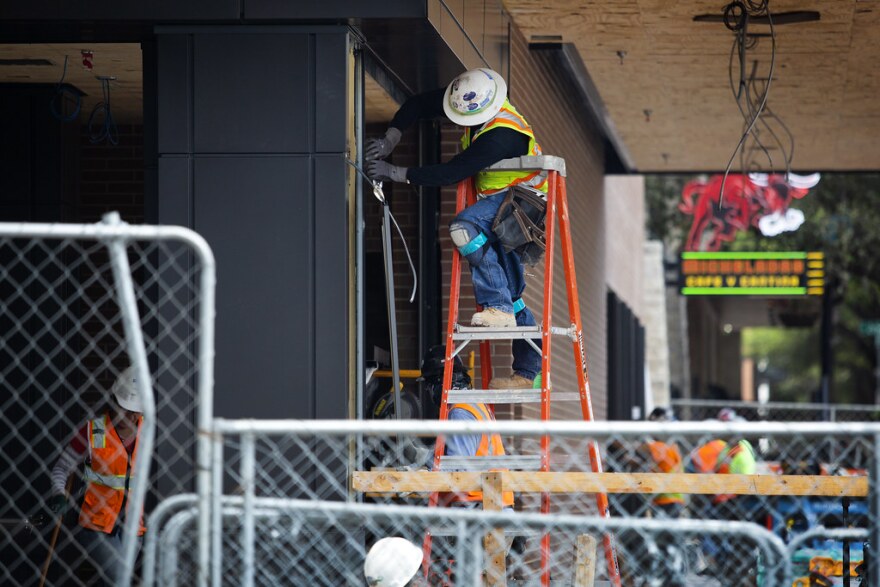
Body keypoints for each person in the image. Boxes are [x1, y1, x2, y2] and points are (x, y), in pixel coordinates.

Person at [366, 68, 546, 390]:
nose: (460, 125)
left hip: (525, 201)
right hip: (502, 200)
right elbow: (418, 104)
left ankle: (498, 307)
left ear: (485, 110)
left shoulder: (502, 135)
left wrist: (396, 172)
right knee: (513, 292)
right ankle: (525, 373)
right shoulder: (467, 99)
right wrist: (391, 137)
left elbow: (452, 172)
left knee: (463, 227)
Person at [47, 366, 146, 586]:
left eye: (136, 410)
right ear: (113, 401)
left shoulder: (147, 431)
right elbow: (61, 469)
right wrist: (58, 494)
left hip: (132, 526)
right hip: (96, 525)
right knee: (121, 578)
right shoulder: (92, 432)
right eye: (124, 408)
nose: (130, 416)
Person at [419, 346, 514, 511]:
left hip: (479, 507)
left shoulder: (460, 413)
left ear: (440, 382)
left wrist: (422, 475)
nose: (428, 391)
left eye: (429, 385)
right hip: (490, 503)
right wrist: (425, 460)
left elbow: (458, 471)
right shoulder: (473, 404)